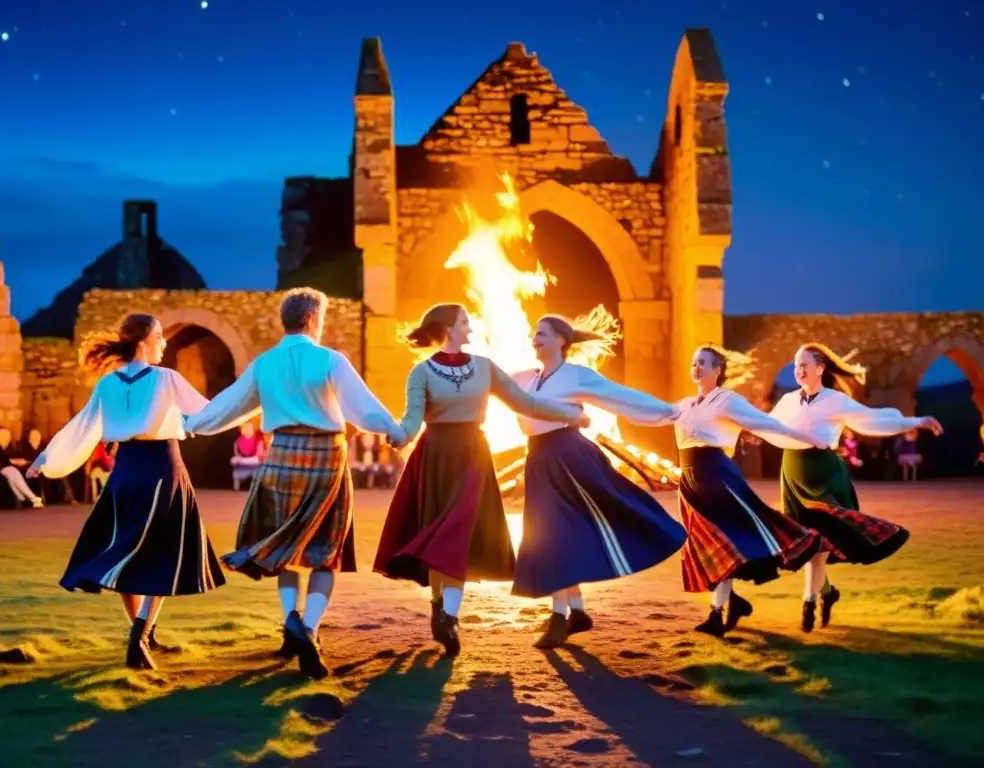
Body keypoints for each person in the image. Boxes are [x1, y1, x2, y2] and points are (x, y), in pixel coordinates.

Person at [184, 288, 406, 679]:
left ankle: (291, 621)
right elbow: (362, 404)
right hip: (326, 457)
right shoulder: (329, 360)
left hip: (282, 454)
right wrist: (392, 429)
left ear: (283, 321)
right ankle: (309, 629)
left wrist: (191, 425)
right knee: (326, 552)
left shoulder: (264, 363)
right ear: (315, 319)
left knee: (286, 545)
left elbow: (230, 405)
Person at [373, 303, 589, 656]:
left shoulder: (485, 368)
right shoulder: (420, 373)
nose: (470, 329)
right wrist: (399, 435)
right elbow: (412, 420)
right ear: (448, 329)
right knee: (438, 533)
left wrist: (568, 414)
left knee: (459, 532)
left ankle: (451, 618)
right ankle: (440, 605)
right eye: (464, 322)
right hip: (434, 457)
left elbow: (526, 404)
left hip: (473, 454)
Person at [28, 313, 225, 670]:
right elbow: (210, 414)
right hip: (163, 468)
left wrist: (46, 458)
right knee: (164, 552)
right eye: (160, 336)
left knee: (126, 551)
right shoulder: (167, 378)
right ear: (144, 342)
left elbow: (82, 426)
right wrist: (257, 406)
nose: (165, 343)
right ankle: (141, 632)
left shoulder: (108, 384)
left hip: (126, 472)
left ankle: (140, 632)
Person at [512, 314, 688, 649]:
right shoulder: (527, 378)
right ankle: (577, 613)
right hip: (538, 461)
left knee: (555, 538)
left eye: (543, 333)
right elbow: (490, 384)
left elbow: (619, 395)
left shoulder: (576, 375)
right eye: (534, 333)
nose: (535, 338)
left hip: (568, 458)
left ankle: (559, 619)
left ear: (562, 341)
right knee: (553, 536)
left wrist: (667, 410)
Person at [770, 343, 942, 632]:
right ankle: (827, 593)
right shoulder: (787, 401)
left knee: (818, 544)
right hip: (793, 477)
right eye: (796, 365)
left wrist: (916, 421)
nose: (798, 371)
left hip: (823, 476)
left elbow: (873, 420)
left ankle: (808, 605)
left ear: (820, 368)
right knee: (805, 546)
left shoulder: (834, 400)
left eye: (805, 365)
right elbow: (763, 424)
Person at [675, 345, 829, 637]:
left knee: (722, 543)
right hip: (689, 481)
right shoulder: (684, 405)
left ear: (718, 370)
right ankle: (734, 603)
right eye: (694, 362)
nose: (697, 367)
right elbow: (650, 412)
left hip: (716, 476)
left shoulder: (727, 401)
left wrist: (804, 436)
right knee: (702, 551)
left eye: (704, 363)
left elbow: (764, 423)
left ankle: (716, 615)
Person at [0, 427, 44, 508]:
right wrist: (12, 461)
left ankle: (22, 498)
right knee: (11, 471)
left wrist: (22, 462)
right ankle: (32, 497)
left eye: (7, 436)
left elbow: (21, 459)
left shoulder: (11, 449)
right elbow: (0, 460)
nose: (5, 438)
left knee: (13, 476)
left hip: (12, 470)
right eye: (2, 435)